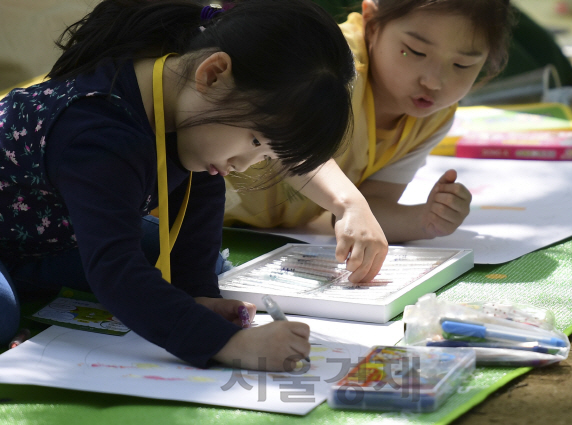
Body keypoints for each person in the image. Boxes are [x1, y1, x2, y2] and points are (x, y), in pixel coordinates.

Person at [0, 0, 389, 371]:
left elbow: (194, 222)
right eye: (255, 141)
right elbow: (115, 271)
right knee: (7, 312)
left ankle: (26, 277)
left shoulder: (189, 112)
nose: (244, 165)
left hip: (43, 237)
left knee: (194, 268)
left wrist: (197, 297)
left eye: (265, 155)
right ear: (213, 73)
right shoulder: (99, 130)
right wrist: (229, 345)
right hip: (31, 237)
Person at [223, 0, 515, 242]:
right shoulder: (331, 62)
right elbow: (290, 144)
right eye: (414, 51)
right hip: (190, 204)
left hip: (248, 236)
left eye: (462, 65)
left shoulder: (432, 118)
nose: (434, 82)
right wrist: (348, 201)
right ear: (372, 24)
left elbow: (371, 205)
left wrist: (424, 220)